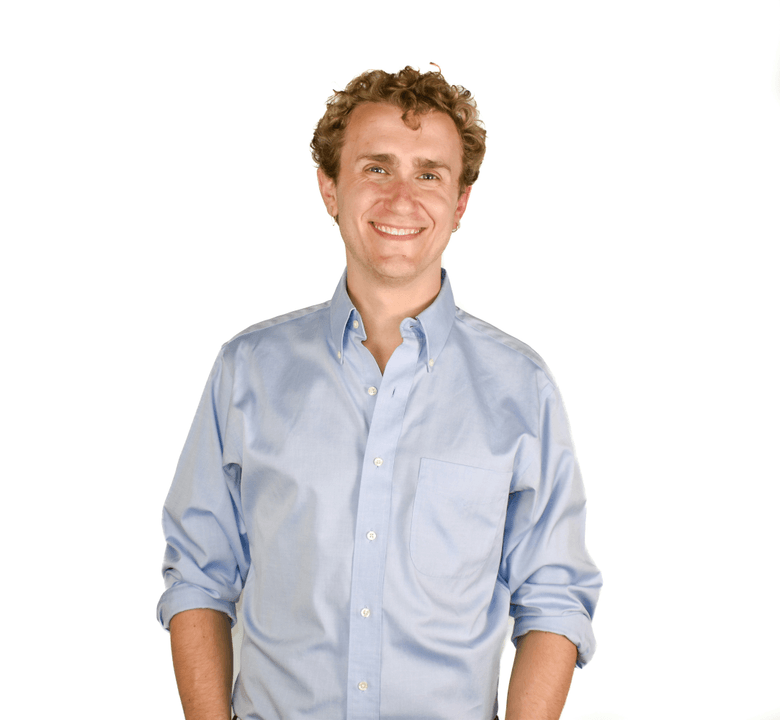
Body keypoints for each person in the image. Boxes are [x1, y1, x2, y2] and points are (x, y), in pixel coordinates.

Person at [157, 66, 602, 720]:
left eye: (429, 174)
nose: (401, 199)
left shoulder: (520, 388)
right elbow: (200, 574)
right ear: (329, 188)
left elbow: (554, 599)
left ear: (461, 203)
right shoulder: (247, 372)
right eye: (376, 168)